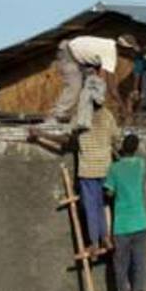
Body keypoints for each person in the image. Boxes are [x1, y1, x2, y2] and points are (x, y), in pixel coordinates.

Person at [28, 101, 120, 257]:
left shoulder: (81, 116)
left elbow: (67, 141)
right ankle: (105, 238)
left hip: (88, 170)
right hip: (105, 169)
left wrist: (41, 135)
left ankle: (93, 243)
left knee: (90, 207)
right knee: (101, 204)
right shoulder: (108, 115)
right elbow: (116, 140)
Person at [44, 34, 136, 130]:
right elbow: (112, 88)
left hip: (77, 57)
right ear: (123, 48)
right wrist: (123, 108)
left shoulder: (110, 44)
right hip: (69, 55)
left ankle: (85, 117)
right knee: (75, 87)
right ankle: (54, 117)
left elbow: (97, 68)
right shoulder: (110, 53)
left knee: (91, 85)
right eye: (130, 51)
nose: (129, 54)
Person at [104, 133, 146, 291]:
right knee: (139, 260)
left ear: (122, 147)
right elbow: (129, 162)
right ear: (136, 149)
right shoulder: (140, 164)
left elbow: (109, 192)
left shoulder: (114, 169)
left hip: (122, 225)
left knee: (121, 264)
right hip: (140, 222)